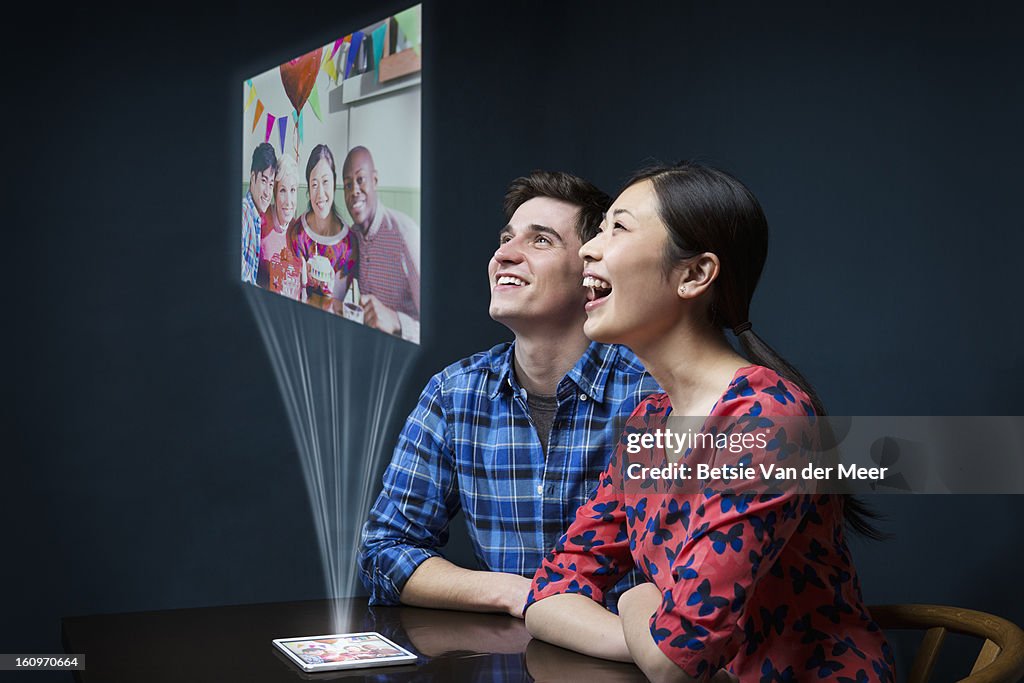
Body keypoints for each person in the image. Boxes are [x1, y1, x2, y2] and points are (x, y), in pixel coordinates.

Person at [524, 163, 894, 682]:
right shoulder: (650, 423)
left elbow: (675, 661)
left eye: (619, 228)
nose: (588, 248)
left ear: (695, 274)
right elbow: (547, 597)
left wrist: (637, 596)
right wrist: (648, 626)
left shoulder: (770, 421)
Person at [359, 171, 660, 617]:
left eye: (540, 241)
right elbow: (383, 550)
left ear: (592, 268)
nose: (504, 254)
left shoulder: (654, 393)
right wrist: (515, 594)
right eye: (505, 238)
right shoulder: (454, 395)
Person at [342, 146, 420, 342]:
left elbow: (436, 326)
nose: (354, 191)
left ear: (375, 180)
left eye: (360, 180)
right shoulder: (353, 236)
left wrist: (397, 322)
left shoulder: (405, 235)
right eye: (347, 185)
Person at [288, 144, 357, 303]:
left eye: (325, 181)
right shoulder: (298, 233)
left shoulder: (348, 244)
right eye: (314, 184)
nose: (320, 193)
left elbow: (336, 301)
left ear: (334, 183)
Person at [258, 154, 302, 299]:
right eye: (283, 190)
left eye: (293, 190)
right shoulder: (261, 221)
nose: (289, 201)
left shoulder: (298, 230)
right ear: (275, 193)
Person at [242, 143, 276, 285]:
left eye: (271, 184)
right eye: (264, 181)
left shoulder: (255, 215)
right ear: (252, 177)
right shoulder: (244, 213)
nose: (268, 193)